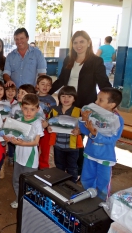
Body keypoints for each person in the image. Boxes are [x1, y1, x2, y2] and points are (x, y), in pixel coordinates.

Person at [49, 30, 112, 177]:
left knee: (79, 137)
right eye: (75, 42)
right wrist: (44, 93)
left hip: (84, 105)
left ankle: (77, 170)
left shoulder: (96, 61)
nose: (79, 45)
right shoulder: (68, 60)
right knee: (65, 135)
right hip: (66, 103)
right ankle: (62, 169)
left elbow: (103, 82)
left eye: (82, 41)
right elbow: (61, 80)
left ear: (89, 42)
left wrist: (111, 100)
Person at [79, 88, 123, 200]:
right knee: (86, 178)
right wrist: (84, 120)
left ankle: (101, 203)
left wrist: (95, 133)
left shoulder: (117, 120)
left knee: (103, 181)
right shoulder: (92, 114)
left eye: (100, 100)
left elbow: (112, 139)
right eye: (97, 99)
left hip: (105, 157)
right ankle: (87, 198)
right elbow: (84, 132)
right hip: (90, 153)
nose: (96, 102)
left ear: (112, 104)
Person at [7, 94, 44, 209]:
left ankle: (30, 204)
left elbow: (35, 142)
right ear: (21, 107)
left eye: (32, 109)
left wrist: (22, 143)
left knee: (29, 183)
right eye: (26, 108)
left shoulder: (37, 123)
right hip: (18, 157)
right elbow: (14, 138)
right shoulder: (18, 121)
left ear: (37, 109)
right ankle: (19, 200)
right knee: (16, 180)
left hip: (30, 160)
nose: (28, 112)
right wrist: (11, 139)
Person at [48, 86, 82, 183]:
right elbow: (48, 123)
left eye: (69, 96)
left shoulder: (79, 111)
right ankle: (60, 184)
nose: (66, 99)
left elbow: (84, 126)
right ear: (59, 97)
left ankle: (72, 186)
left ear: (74, 98)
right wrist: (48, 128)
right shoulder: (54, 110)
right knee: (59, 167)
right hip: (58, 145)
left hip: (72, 147)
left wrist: (79, 131)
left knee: (72, 167)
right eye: (63, 96)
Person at [36, 75, 56, 169]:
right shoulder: (33, 97)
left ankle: (43, 168)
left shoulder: (52, 100)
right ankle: (33, 165)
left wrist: (47, 123)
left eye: (48, 85)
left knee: (45, 149)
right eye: (42, 84)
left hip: (46, 128)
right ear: (37, 86)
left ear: (51, 87)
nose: (45, 87)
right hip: (34, 127)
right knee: (34, 147)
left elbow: (54, 115)